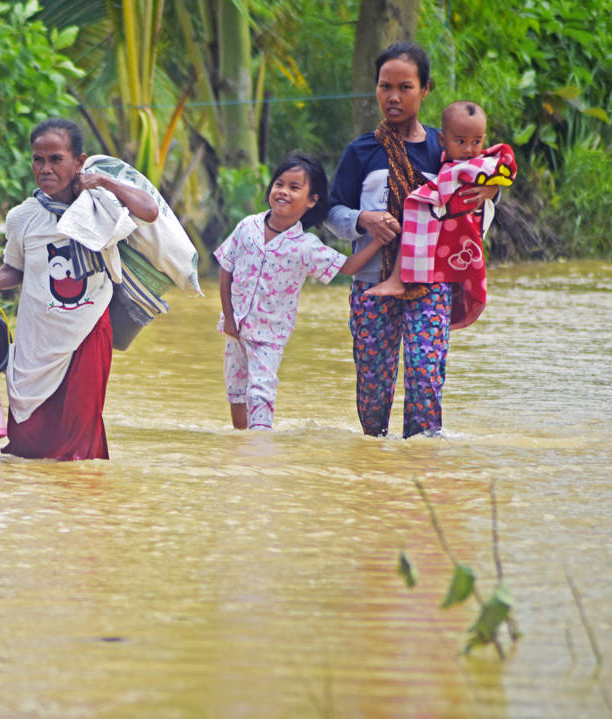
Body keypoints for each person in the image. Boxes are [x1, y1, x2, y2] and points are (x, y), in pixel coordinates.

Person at [325, 43, 497, 438]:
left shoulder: (447, 147)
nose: (393, 97)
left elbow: (480, 190)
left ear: (425, 89)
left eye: (405, 87)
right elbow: (332, 212)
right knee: (373, 388)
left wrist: (491, 191)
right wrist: (363, 219)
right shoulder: (361, 152)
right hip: (372, 282)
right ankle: (375, 461)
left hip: (432, 282)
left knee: (424, 373)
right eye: (385, 86)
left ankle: (422, 460)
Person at [0, 118, 158, 460]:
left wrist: (104, 182)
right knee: (28, 443)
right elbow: (15, 268)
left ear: (79, 162)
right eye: (38, 160)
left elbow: (150, 210)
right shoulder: (23, 217)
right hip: (37, 337)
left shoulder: (101, 206)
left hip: (88, 330)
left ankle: (75, 495)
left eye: (56, 159)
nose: (45, 168)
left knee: (78, 449)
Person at [215, 153, 391, 430]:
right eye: (279, 184)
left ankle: (259, 447)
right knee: (236, 392)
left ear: (312, 200)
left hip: (269, 336)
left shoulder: (306, 246)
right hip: (235, 327)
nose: (283, 191)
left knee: (260, 393)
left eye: (294, 187)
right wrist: (228, 317)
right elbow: (226, 268)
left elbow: (347, 266)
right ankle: (239, 446)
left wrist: (378, 242)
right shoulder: (247, 226)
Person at [365, 101, 515, 329]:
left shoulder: (481, 164)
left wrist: (492, 190)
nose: (469, 149)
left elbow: (500, 173)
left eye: (476, 142)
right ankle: (397, 278)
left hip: (460, 241)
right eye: (461, 141)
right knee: (416, 209)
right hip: (440, 245)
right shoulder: (441, 159)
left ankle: (398, 279)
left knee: (417, 207)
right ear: (443, 140)